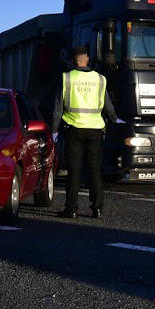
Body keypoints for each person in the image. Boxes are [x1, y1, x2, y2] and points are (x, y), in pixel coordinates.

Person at [53, 45, 117, 219]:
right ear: (87, 59)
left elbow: (57, 108)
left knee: (74, 170)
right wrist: (114, 119)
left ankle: (71, 209)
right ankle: (97, 209)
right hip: (95, 129)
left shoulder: (67, 78)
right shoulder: (100, 79)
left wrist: (54, 131)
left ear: (74, 60)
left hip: (73, 129)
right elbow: (108, 106)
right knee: (95, 170)